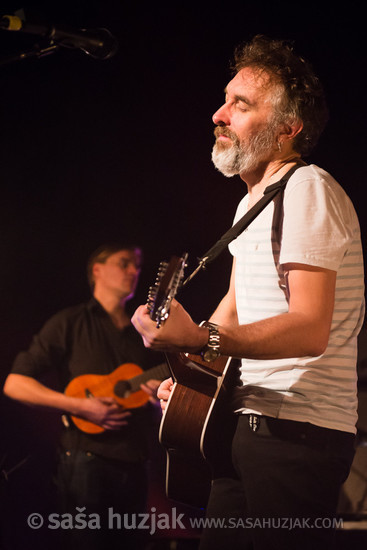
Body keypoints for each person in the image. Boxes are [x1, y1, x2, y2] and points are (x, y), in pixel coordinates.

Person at [131, 35, 365, 550]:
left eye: (241, 105)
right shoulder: (250, 207)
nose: (219, 114)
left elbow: (309, 327)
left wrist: (204, 338)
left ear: (288, 129)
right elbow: (231, 317)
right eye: (225, 99)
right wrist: (189, 369)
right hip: (246, 421)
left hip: (297, 431)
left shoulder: (307, 189)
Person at [3, 243, 167, 550]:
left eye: (137, 266)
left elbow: (157, 403)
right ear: (97, 270)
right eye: (124, 263)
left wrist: (158, 399)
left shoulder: (145, 334)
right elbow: (15, 383)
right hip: (85, 462)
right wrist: (80, 406)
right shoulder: (69, 322)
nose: (134, 271)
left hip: (137, 462)